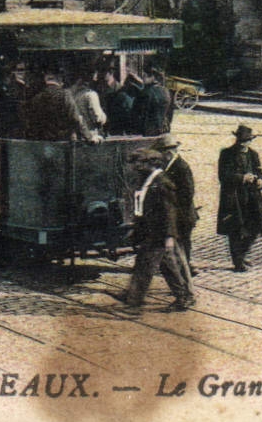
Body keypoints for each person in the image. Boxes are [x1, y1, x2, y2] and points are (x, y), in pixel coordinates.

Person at [117, 149, 193, 312]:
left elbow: (169, 212)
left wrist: (169, 236)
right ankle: (135, 297)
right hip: (151, 232)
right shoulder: (148, 180)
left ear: (149, 164)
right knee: (159, 265)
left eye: (138, 163)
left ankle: (182, 297)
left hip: (159, 233)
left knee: (151, 265)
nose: (135, 166)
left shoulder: (161, 182)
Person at [216, 125, 262, 272]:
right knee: (236, 229)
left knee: (255, 227)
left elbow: (260, 171)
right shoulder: (227, 154)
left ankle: (243, 253)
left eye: (246, 141)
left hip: (252, 196)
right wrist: (242, 178)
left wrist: (260, 180)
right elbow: (223, 176)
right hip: (233, 197)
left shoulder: (253, 154)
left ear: (250, 141)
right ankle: (238, 261)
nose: (242, 144)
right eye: (240, 140)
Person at [154, 135, 197, 264]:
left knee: (183, 242)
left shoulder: (181, 167)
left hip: (183, 214)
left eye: (160, 153)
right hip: (174, 213)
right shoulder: (166, 165)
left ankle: (186, 267)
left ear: (168, 153)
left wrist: (173, 207)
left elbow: (188, 193)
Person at [24, 70, 96, 142]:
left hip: (43, 143)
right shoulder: (65, 95)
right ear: (60, 80)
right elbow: (75, 119)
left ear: (46, 80)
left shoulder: (37, 98)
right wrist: (89, 137)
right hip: (62, 143)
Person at [69, 75, 106, 143]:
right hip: (91, 137)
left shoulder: (69, 94)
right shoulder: (90, 94)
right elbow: (97, 117)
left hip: (74, 137)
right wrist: (104, 117)